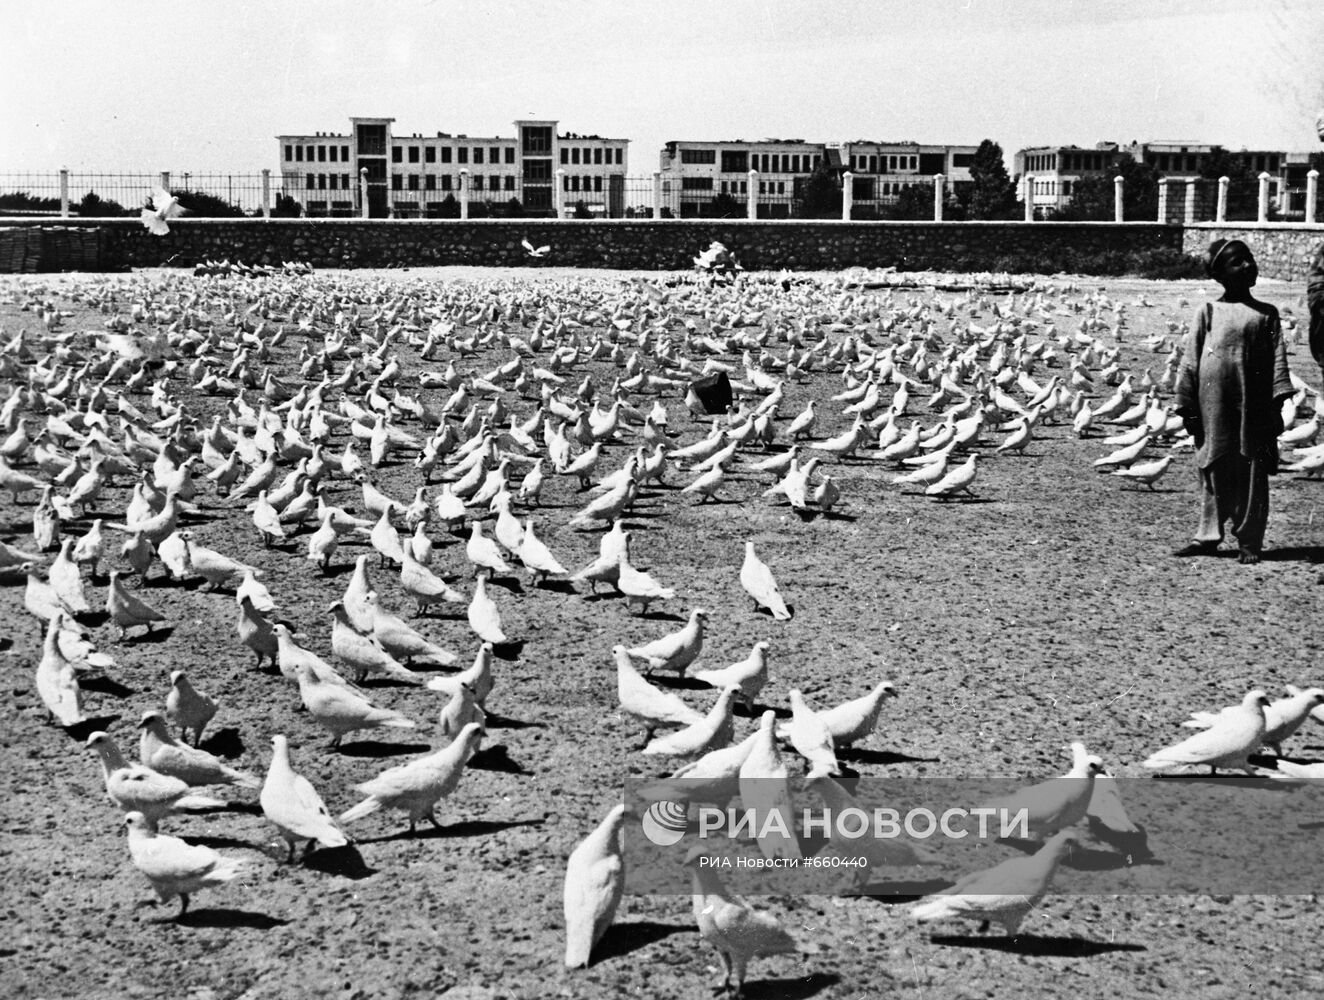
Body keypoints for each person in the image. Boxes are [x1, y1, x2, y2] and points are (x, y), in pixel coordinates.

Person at [1174, 239, 1293, 564]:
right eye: (1238, 262)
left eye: (1250, 259)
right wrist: (1186, 405)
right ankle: (1207, 536)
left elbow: (1278, 361)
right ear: (1220, 274)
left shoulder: (1266, 314)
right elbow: (1190, 361)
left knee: (1252, 469)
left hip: (1251, 408)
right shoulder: (1208, 311)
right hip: (1212, 406)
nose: (1248, 266)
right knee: (1212, 466)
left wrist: (1276, 404)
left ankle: (1249, 540)